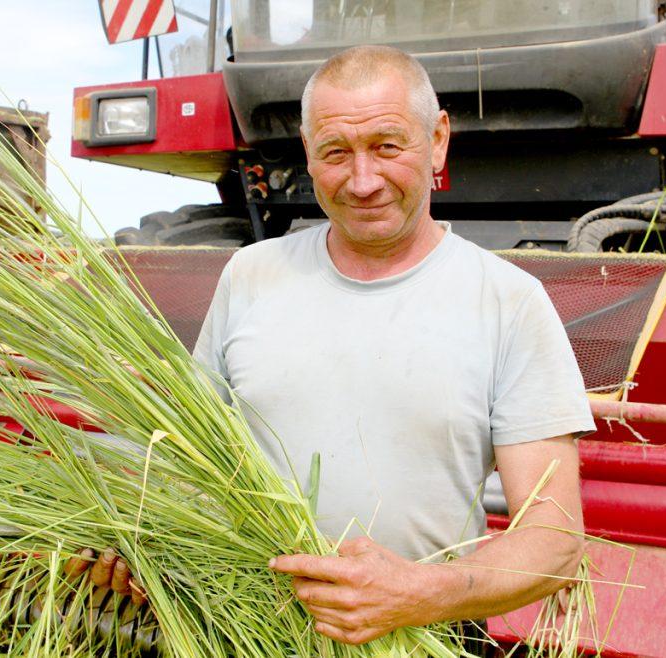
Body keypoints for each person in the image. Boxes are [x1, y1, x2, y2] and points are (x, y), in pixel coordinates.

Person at [186, 44, 595, 645]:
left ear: (438, 140)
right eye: (336, 152)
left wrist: (419, 594)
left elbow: (555, 540)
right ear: (308, 152)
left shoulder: (509, 300)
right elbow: (187, 460)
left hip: (426, 637)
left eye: (386, 146)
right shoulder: (250, 276)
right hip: (244, 631)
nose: (363, 181)